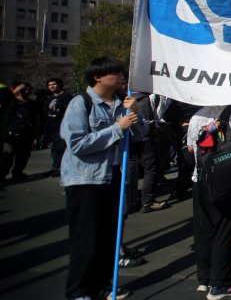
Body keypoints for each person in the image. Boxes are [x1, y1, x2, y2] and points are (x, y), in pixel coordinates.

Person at [60, 56, 148, 300]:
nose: (121, 77)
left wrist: (136, 114)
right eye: (115, 73)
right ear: (98, 76)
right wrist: (116, 128)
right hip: (85, 180)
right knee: (86, 240)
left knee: (109, 237)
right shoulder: (81, 103)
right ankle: (78, 291)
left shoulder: (122, 103)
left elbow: (140, 135)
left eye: (121, 73)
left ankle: (102, 284)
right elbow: (77, 144)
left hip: (114, 177)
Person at [187, 103, 231, 298]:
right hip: (227, 182)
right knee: (225, 230)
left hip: (201, 179)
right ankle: (221, 283)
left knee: (204, 230)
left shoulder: (196, 115)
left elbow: (191, 148)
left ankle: (204, 278)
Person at [1, 82, 39, 180]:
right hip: (11, 133)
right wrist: (17, 89)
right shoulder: (12, 101)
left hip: (27, 133)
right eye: (24, 89)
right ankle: (1, 175)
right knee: (7, 155)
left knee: (24, 155)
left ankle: (18, 173)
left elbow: (36, 120)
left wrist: (35, 135)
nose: (26, 90)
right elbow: (8, 96)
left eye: (28, 88)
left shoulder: (33, 104)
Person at [44, 78, 73, 176]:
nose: (51, 86)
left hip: (62, 125)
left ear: (60, 85)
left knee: (61, 148)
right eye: (49, 85)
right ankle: (55, 167)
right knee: (54, 148)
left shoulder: (66, 96)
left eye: (54, 84)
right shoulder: (49, 98)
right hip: (52, 126)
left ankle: (60, 168)